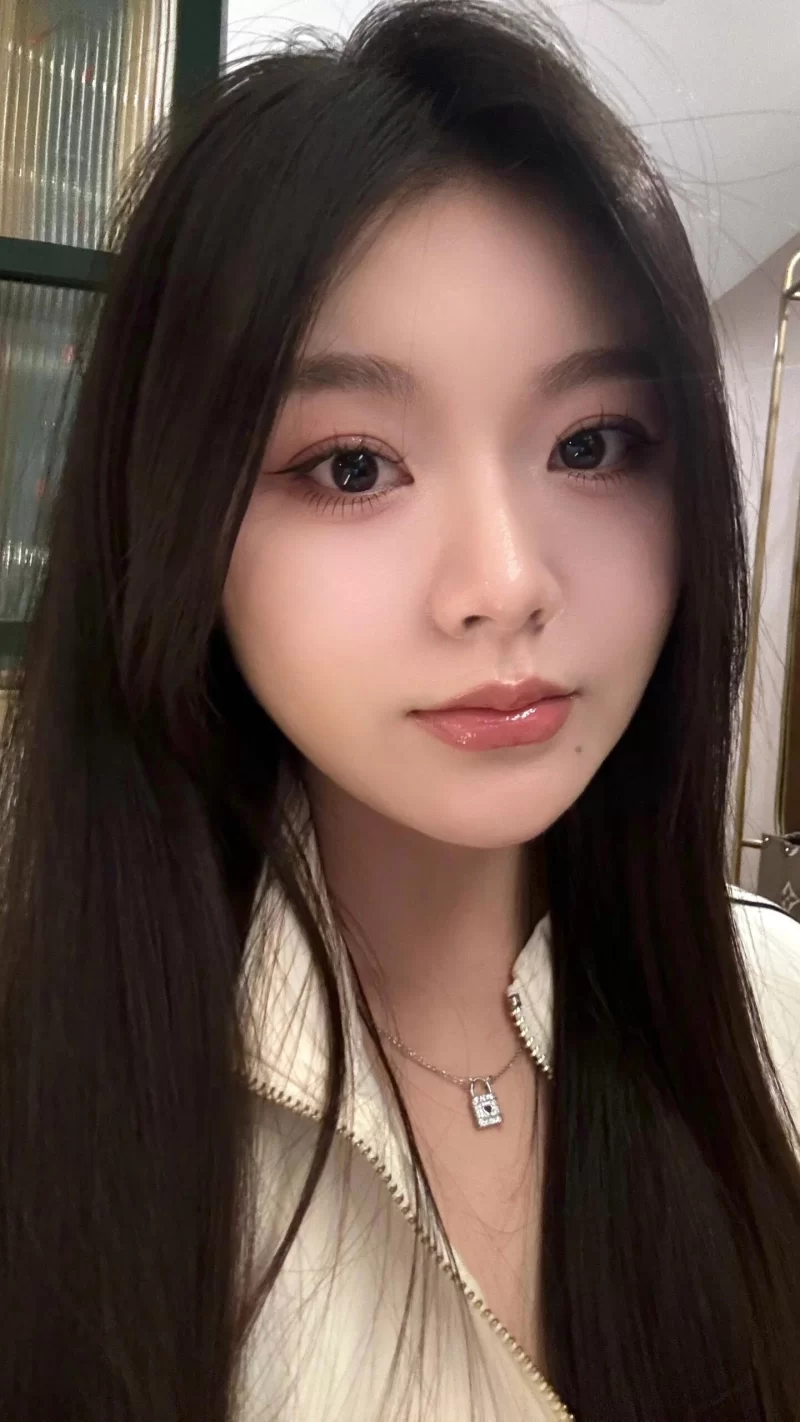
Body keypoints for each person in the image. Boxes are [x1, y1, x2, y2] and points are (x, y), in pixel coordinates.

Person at [1, 0, 799, 1418]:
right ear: (176, 518)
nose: (506, 583)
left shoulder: (778, 1014)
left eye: (593, 443)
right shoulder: (52, 1097)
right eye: (354, 467)